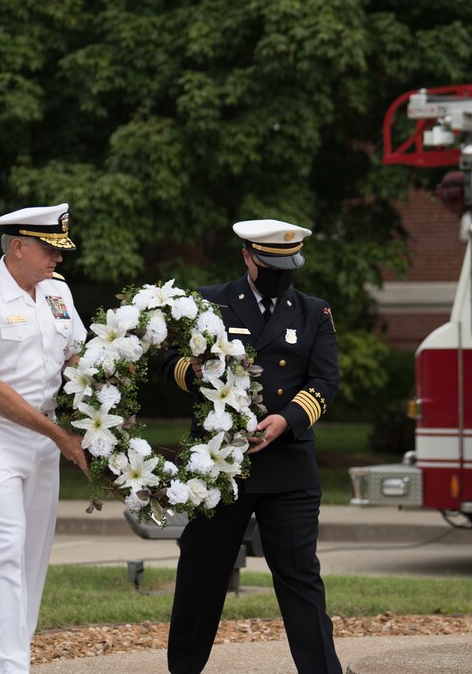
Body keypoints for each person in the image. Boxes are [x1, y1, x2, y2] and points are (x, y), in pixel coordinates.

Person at [162, 219, 343, 674]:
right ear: (247, 256)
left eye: (289, 265)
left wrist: (287, 419)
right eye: (271, 264)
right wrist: (195, 372)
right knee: (203, 575)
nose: (281, 274)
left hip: (289, 467)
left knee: (301, 578)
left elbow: (325, 381)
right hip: (220, 468)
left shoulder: (314, 312)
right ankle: (184, 668)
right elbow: (167, 359)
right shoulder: (207, 302)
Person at [0, 203, 89, 673]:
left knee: (31, 559)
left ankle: (7, 662)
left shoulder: (57, 292)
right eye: (50, 250)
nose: (58, 260)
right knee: (7, 549)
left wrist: (107, 401)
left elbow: (75, 358)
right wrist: (63, 438)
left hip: (44, 437)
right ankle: (11, 669)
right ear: (18, 247)